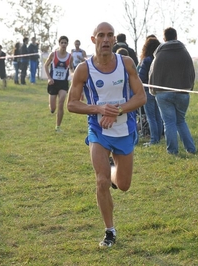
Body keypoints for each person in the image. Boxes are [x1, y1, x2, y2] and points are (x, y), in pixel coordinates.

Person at [67, 22, 146, 248]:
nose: (105, 39)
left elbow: (141, 97)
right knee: (101, 182)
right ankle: (109, 231)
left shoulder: (126, 63)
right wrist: (100, 109)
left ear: (114, 40)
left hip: (124, 130)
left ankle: (112, 168)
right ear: (93, 40)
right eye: (100, 35)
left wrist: (118, 110)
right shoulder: (84, 69)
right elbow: (72, 104)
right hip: (98, 131)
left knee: (123, 185)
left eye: (109, 35)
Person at [149, 27, 196, 155]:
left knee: (169, 122)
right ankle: (190, 149)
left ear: (164, 38)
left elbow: (152, 73)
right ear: (176, 36)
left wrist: (153, 90)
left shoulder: (159, 54)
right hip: (182, 92)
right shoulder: (185, 52)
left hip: (163, 93)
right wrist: (190, 87)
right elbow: (191, 72)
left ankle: (172, 151)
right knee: (181, 121)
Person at [44, 36, 73, 132]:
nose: (64, 44)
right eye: (62, 42)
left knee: (61, 104)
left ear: (67, 44)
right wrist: (49, 78)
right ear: (59, 44)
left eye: (65, 43)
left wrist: (73, 75)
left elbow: (71, 68)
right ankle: (52, 109)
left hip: (63, 84)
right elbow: (46, 65)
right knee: (53, 107)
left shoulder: (70, 57)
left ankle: (58, 127)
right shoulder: (53, 54)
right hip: (53, 82)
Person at [138, 36, 163, 146]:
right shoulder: (160, 60)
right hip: (160, 90)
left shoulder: (146, 60)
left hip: (148, 90)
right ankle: (159, 138)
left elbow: (141, 77)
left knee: (151, 117)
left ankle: (153, 140)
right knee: (158, 116)